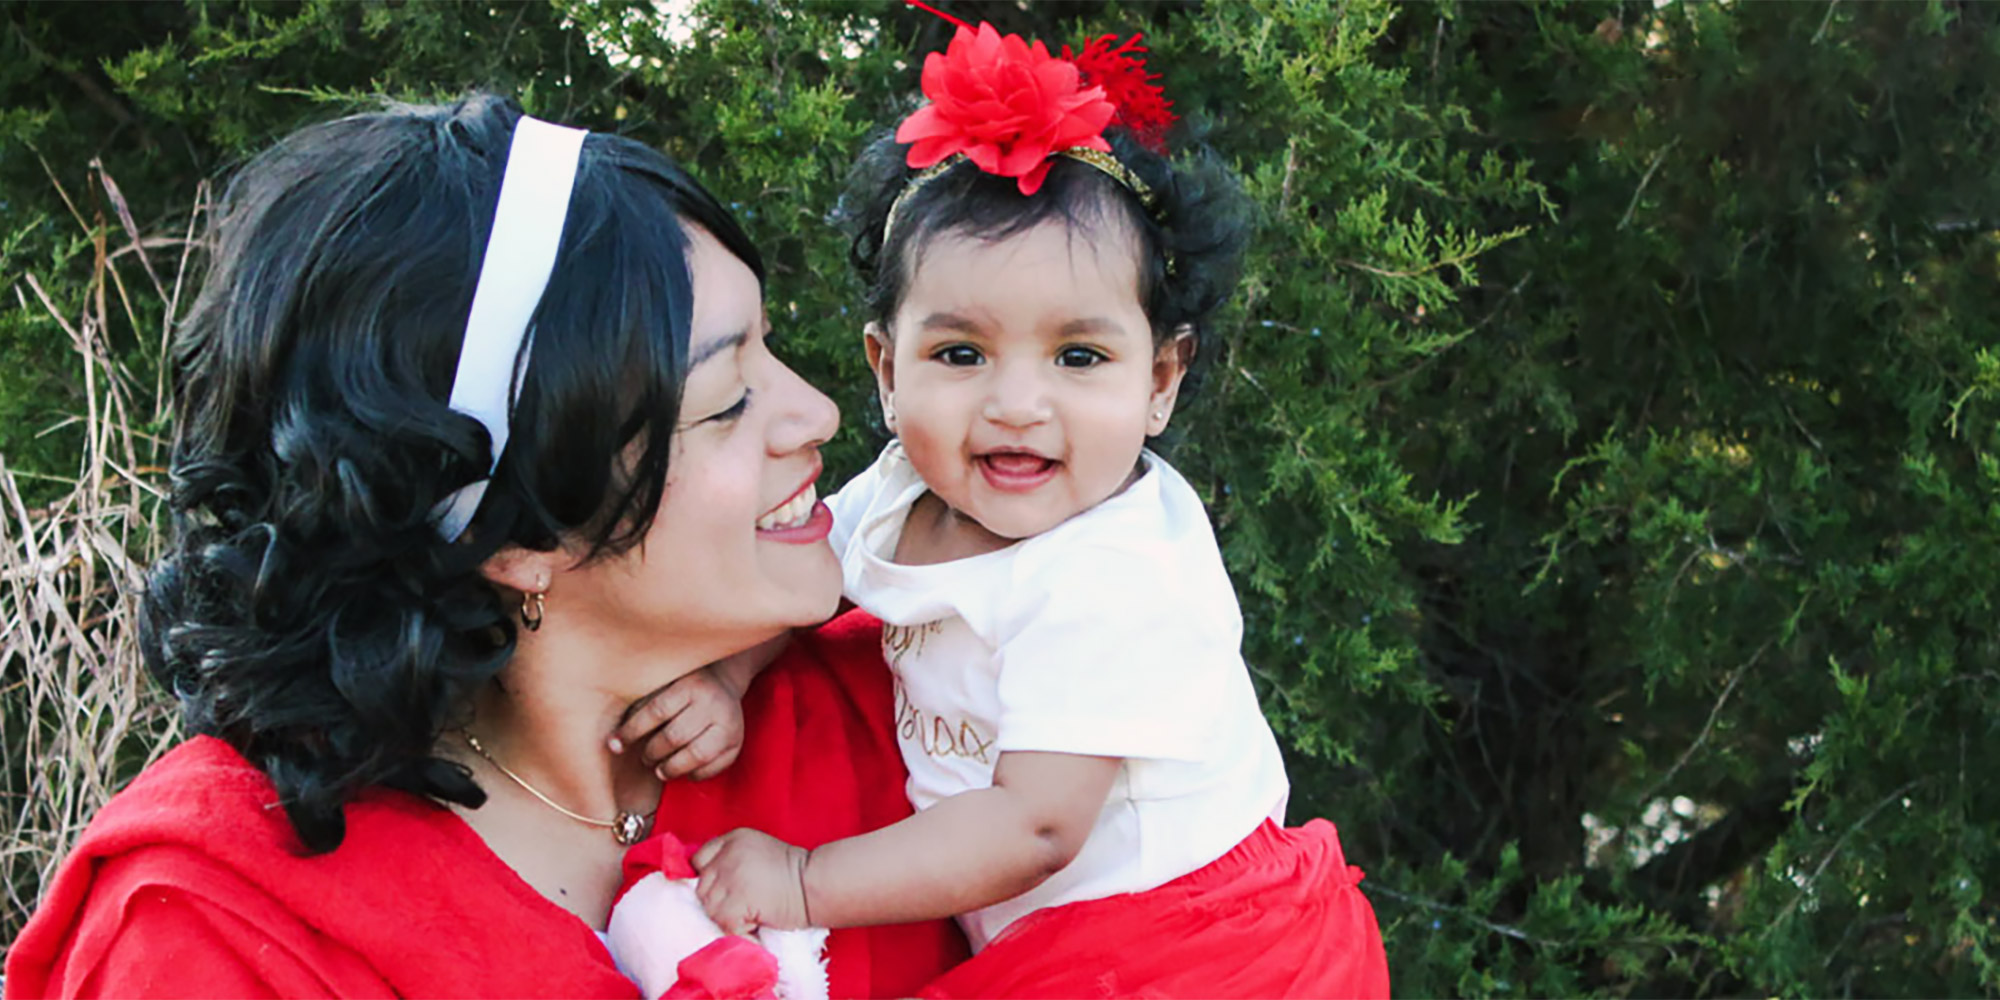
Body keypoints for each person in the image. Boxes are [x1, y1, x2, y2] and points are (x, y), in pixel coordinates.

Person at [2, 93, 963, 999]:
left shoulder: (935, 715)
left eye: (770, 343)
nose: (821, 413)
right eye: (727, 401)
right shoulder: (222, 931)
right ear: (516, 534)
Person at [617, 20, 1392, 998]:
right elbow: (808, 587)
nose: (1016, 403)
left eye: (1077, 356)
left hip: (1193, 944)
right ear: (885, 371)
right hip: (1052, 924)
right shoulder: (901, 489)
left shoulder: (1113, 571)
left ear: (1159, 379)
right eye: (959, 354)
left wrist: (803, 881)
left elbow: (1034, 826)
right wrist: (727, 679)